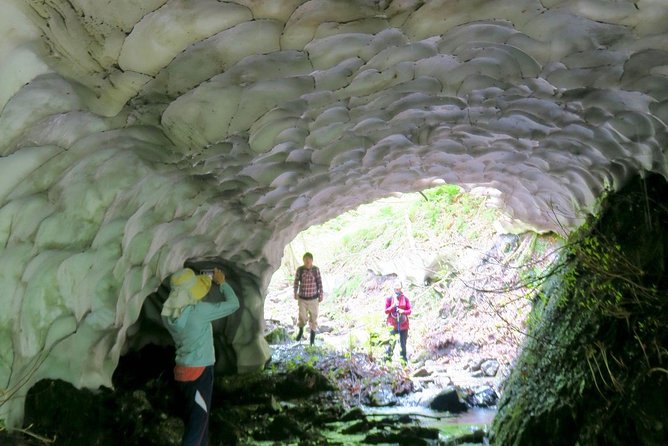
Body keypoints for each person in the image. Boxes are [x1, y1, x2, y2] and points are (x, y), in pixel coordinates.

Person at [161, 267, 239, 446]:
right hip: (199, 372)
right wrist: (222, 283)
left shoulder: (167, 315)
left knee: (195, 423)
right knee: (196, 429)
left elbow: (185, 305)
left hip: (181, 372)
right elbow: (234, 304)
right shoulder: (199, 312)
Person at [293, 252, 324, 345]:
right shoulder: (300, 270)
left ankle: (312, 341)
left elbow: (319, 283)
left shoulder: (315, 270)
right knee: (302, 317)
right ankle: (301, 331)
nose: (307, 261)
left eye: (309, 260)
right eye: (305, 260)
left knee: (313, 319)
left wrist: (321, 294)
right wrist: (295, 292)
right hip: (302, 299)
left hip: (313, 299)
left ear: (312, 260)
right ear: (303, 260)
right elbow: (296, 282)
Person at [384, 281, 412, 363]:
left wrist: (402, 311)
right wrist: (393, 306)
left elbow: (409, 311)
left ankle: (404, 361)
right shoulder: (389, 298)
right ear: (393, 289)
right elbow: (386, 311)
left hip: (404, 324)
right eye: (396, 289)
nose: (397, 290)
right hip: (392, 324)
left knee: (403, 344)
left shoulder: (405, 298)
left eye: (399, 289)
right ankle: (387, 360)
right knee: (391, 343)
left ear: (401, 288)